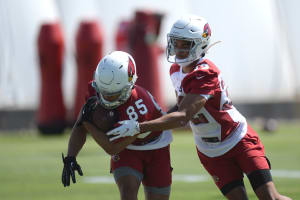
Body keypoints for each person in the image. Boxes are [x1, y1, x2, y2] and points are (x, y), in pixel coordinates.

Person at [107, 16, 292, 200]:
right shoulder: (176, 70)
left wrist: (141, 126)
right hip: (209, 151)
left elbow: (182, 117)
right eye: (175, 42)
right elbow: (180, 106)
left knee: (269, 197)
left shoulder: (205, 73)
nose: (178, 49)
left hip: (237, 139)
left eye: (185, 44)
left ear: (201, 44)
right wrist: (151, 123)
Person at [61, 51, 173, 200]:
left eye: (113, 94)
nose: (107, 98)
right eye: (104, 92)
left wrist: (88, 122)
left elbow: (112, 147)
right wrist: (70, 157)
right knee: (127, 193)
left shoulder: (140, 105)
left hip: (156, 146)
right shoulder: (96, 91)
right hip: (128, 150)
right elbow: (80, 125)